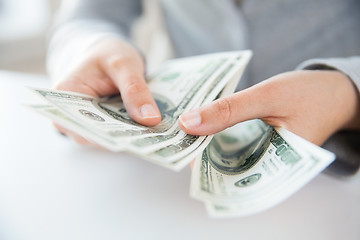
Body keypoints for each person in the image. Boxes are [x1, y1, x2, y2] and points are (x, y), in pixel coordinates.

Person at [47, 0, 360, 175]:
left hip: (338, 175)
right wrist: (91, 47)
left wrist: (348, 94)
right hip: (170, 175)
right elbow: (88, 15)